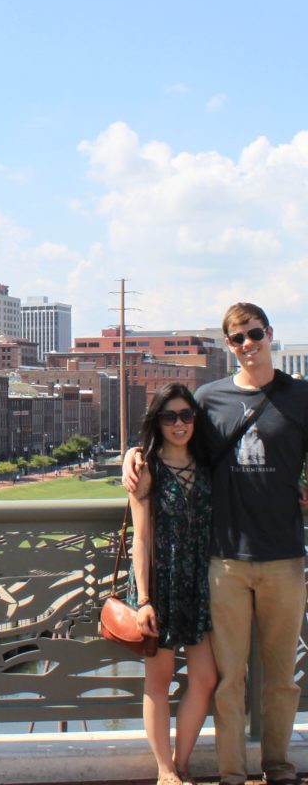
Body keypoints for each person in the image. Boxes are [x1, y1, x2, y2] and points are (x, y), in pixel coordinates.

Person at [125, 302, 308, 785]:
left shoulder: (301, 396)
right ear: (228, 345)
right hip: (223, 562)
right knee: (228, 680)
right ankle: (230, 772)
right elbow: (169, 430)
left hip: (285, 555)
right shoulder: (209, 397)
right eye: (237, 338)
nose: (248, 344)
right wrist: (132, 452)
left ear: (270, 333)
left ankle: (279, 765)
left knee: (281, 679)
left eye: (254, 334)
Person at [129, 384, 216, 785]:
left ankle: (181, 762)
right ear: (157, 422)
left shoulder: (210, 463)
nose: (179, 424)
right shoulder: (146, 467)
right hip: (160, 584)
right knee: (159, 680)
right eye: (169, 417)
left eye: (186, 416)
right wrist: (144, 599)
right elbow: (141, 539)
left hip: (201, 581)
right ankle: (165, 771)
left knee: (205, 678)